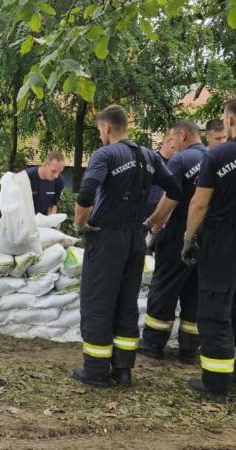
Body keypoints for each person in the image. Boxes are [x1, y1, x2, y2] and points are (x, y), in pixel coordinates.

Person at [72, 105, 182, 388]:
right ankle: (123, 370)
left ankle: (95, 372)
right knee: (126, 303)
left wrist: (80, 225)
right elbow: (176, 191)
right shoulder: (148, 155)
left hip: (107, 238)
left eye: (99, 130)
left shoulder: (105, 154)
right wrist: (151, 222)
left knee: (98, 301)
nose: (100, 135)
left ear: (107, 128)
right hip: (136, 239)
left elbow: (86, 193)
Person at [181, 100, 236, 404]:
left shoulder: (218, 155)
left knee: (216, 309)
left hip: (223, 241)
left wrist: (189, 238)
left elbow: (199, 203)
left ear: (230, 119)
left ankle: (215, 384)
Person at [139, 121, 207, 363]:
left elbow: (171, 198)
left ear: (183, 135)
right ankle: (189, 349)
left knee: (165, 286)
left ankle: (153, 344)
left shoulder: (181, 160)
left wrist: (150, 223)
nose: (173, 143)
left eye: (173, 138)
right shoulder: (214, 157)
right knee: (195, 292)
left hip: (180, 231)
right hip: (207, 235)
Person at [25, 151, 66, 215]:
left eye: (59, 172)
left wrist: (51, 220)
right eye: (53, 171)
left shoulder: (59, 181)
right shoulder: (26, 177)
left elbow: (53, 205)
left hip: (42, 222)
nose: (56, 176)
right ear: (45, 164)